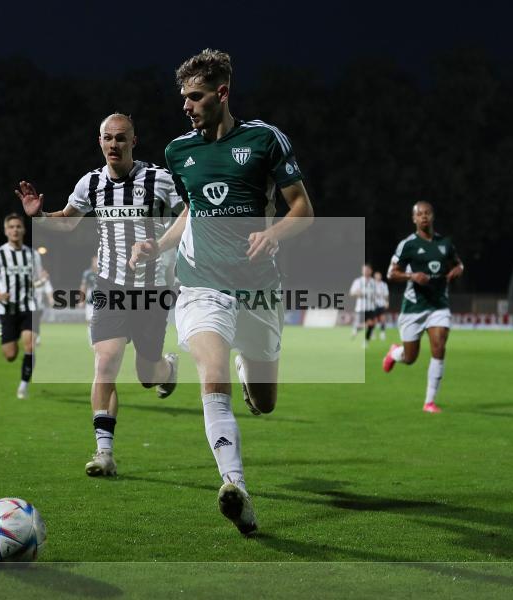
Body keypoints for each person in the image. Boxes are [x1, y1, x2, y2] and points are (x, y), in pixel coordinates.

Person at [130, 49, 314, 534]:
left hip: (258, 290)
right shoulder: (178, 151)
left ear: (222, 93)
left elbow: (302, 209)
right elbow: (190, 212)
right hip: (200, 283)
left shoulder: (264, 140)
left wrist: (273, 233)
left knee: (266, 401)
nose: (187, 106)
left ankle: (248, 370)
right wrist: (160, 244)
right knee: (211, 375)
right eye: (184, 97)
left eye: (196, 96)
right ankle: (236, 488)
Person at [17, 113, 182, 478]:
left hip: (152, 289)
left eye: (121, 138)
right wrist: (40, 215)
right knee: (105, 363)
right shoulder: (91, 183)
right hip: (109, 286)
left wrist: (160, 244)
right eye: (107, 138)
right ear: (100, 141)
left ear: (133, 142)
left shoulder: (159, 179)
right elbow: (69, 219)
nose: (113, 144)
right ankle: (104, 453)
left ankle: (167, 369)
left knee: (146, 373)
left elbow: (190, 213)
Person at [382, 201, 463, 414]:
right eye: (420, 214)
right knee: (410, 358)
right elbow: (391, 273)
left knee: (439, 346)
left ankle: (429, 402)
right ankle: (395, 352)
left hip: (439, 305)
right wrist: (412, 275)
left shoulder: (445, 243)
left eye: (427, 213)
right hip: (414, 308)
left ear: (433, 216)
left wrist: (458, 270)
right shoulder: (407, 245)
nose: (424, 217)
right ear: (414, 219)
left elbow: (458, 263)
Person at [0, 214, 40, 400]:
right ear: (6, 231)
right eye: (11, 227)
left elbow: (37, 279)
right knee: (10, 355)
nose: (15, 230)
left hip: (28, 306)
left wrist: (41, 280)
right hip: (7, 310)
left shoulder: (33, 254)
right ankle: (8, 338)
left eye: (18, 226)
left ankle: (23, 385)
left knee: (30, 344)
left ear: (23, 230)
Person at [349, 264, 377, 347]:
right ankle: (357, 329)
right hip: (361, 308)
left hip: (371, 307)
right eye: (364, 270)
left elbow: (375, 294)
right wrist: (357, 293)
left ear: (371, 271)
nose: (365, 271)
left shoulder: (373, 282)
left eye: (367, 270)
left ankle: (365, 340)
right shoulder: (358, 281)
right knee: (367, 324)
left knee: (371, 325)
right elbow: (351, 293)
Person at [373, 271, 389, 340]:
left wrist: (387, 302)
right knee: (374, 320)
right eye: (377, 276)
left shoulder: (384, 284)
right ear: (375, 276)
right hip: (373, 304)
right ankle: (372, 333)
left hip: (382, 304)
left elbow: (386, 294)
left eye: (379, 276)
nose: (378, 277)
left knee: (383, 319)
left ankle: (382, 333)